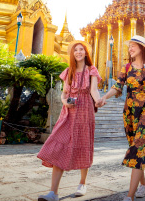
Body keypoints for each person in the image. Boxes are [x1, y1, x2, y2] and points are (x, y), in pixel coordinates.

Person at [37, 40, 103, 201]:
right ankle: (53, 192)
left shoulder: (91, 70)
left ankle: (82, 183)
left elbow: (93, 90)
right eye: (76, 50)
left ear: (86, 53)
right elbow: (64, 93)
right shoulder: (69, 71)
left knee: (83, 145)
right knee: (59, 144)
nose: (79, 52)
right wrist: (64, 101)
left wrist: (99, 100)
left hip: (85, 111)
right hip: (68, 113)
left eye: (81, 49)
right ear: (72, 54)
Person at [101, 35, 145, 201]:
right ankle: (142, 185)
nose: (130, 49)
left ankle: (130, 196)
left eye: (133, 46)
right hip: (129, 112)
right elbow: (117, 86)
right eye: (129, 46)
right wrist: (105, 97)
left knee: (140, 147)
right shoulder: (126, 68)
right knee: (136, 148)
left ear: (142, 48)